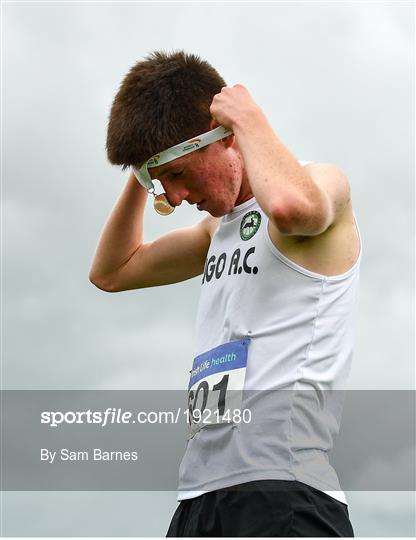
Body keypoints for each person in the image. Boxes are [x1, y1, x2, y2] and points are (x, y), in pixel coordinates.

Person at [90, 50, 361, 537]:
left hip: (283, 493)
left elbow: (292, 208)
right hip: (199, 498)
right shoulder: (216, 231)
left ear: (226, 135)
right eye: (158, 181)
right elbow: (112, 271)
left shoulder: (322, 183)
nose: (171, 198)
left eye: (177, 175)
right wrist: (141, 168)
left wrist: (248, 117)